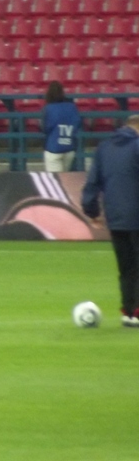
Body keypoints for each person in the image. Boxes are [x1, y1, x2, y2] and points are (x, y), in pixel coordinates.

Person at [82, 115, 139, 327]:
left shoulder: (104, 148)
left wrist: (92, 212)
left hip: (116, 218)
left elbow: (92, 183)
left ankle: (129, 312)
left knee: (126, 268)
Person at [42, 81, 81, 172]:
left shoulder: (49, 108)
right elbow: (77, 123)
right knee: (64, 178)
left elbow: (46, 128)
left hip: (53, 148)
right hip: (69, 147)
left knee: (55, 182)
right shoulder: (72, 107)